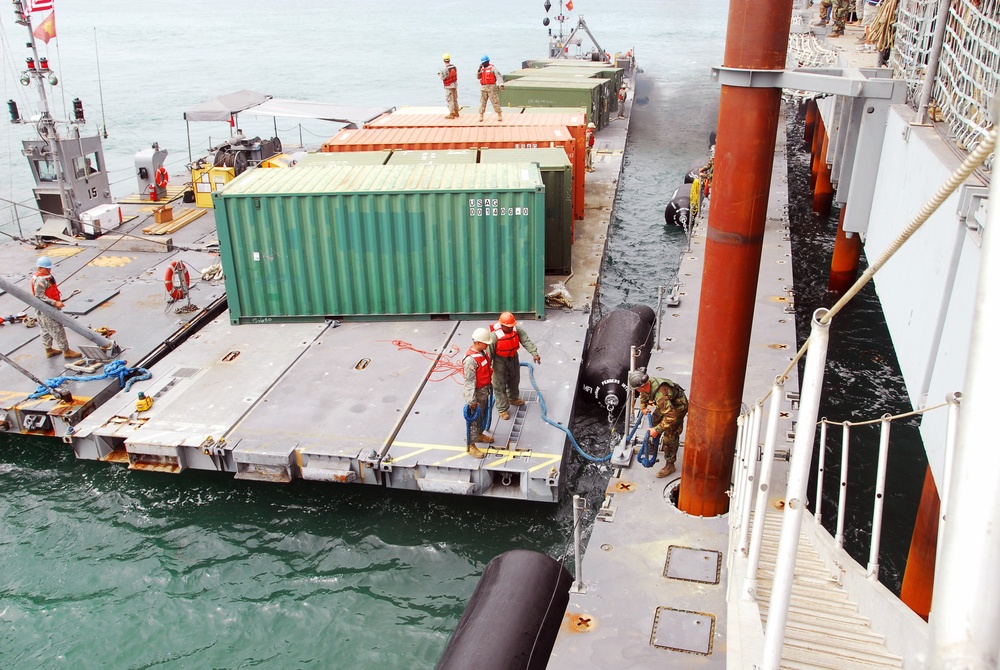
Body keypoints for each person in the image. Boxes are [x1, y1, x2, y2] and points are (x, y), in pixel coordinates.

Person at [629, 368, 688, 479]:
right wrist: (643, 407)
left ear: (641, 386)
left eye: (637, 389)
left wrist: (658, 430)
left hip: (677, 408)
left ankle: (670, 465)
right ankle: (653, 445)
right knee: (656, 419)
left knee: (670, 437)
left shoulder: (660, 396)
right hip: (667, 406)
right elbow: (644, 394)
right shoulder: (647, 383)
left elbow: (671, 416)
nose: (637, 391)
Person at [489, 312, 541, 421]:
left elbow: (526, 340)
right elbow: (489, 353)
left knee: (514, 379)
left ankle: (512, 398)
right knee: (499, 384)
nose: (511, 328)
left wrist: (534, 353)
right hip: (499, 361)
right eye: (508, 326)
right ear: (502, 325)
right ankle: (502, 408)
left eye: (512, 326)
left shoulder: (517, 330)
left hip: (513, 358)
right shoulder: (494, 336)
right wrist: (487, 370)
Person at [31, 256, 82, 360]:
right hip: (47, 309)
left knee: (45, 329)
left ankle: (48, 349)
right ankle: (66, 351)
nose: (49, 270)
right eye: (47, 268)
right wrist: (55, 303)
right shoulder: (40, 280)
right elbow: (39, 296)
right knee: (57, 329)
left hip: (42, 309)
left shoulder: (44, 277)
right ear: (40, 268)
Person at [463, 327, 496, 459]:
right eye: (485, 343)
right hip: (476, 394)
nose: (488, 345)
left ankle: (479, 435)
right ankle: (471, 445)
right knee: (474, 420)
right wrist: (471, 401)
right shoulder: (471, 360)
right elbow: (469, 382)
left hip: (484, 390)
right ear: (478, 342)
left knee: (482, 415)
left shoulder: (482, 353)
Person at [477, 55, 504, 122]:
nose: (483, 63)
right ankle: (481, 115)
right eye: (482, 62)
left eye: (484, 62)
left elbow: (498, 76)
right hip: (484, 87)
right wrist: (479, 70)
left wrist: (501, 84)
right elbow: (478, 77)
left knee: (495, 101)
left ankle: (499, 114)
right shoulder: (481, 68)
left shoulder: (492, 68)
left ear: (488, 61)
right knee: (483, 102)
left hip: (492, 87)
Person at [439, 53, 459, 119]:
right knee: (455, 99)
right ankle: (456, 112)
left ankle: (451, 113)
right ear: (449, 59)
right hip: (455, 85)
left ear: (444, 60)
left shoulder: (444, 69)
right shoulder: (454, 67)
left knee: (450, 100)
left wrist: (440, 75)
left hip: (449, 86)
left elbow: (443, 78)